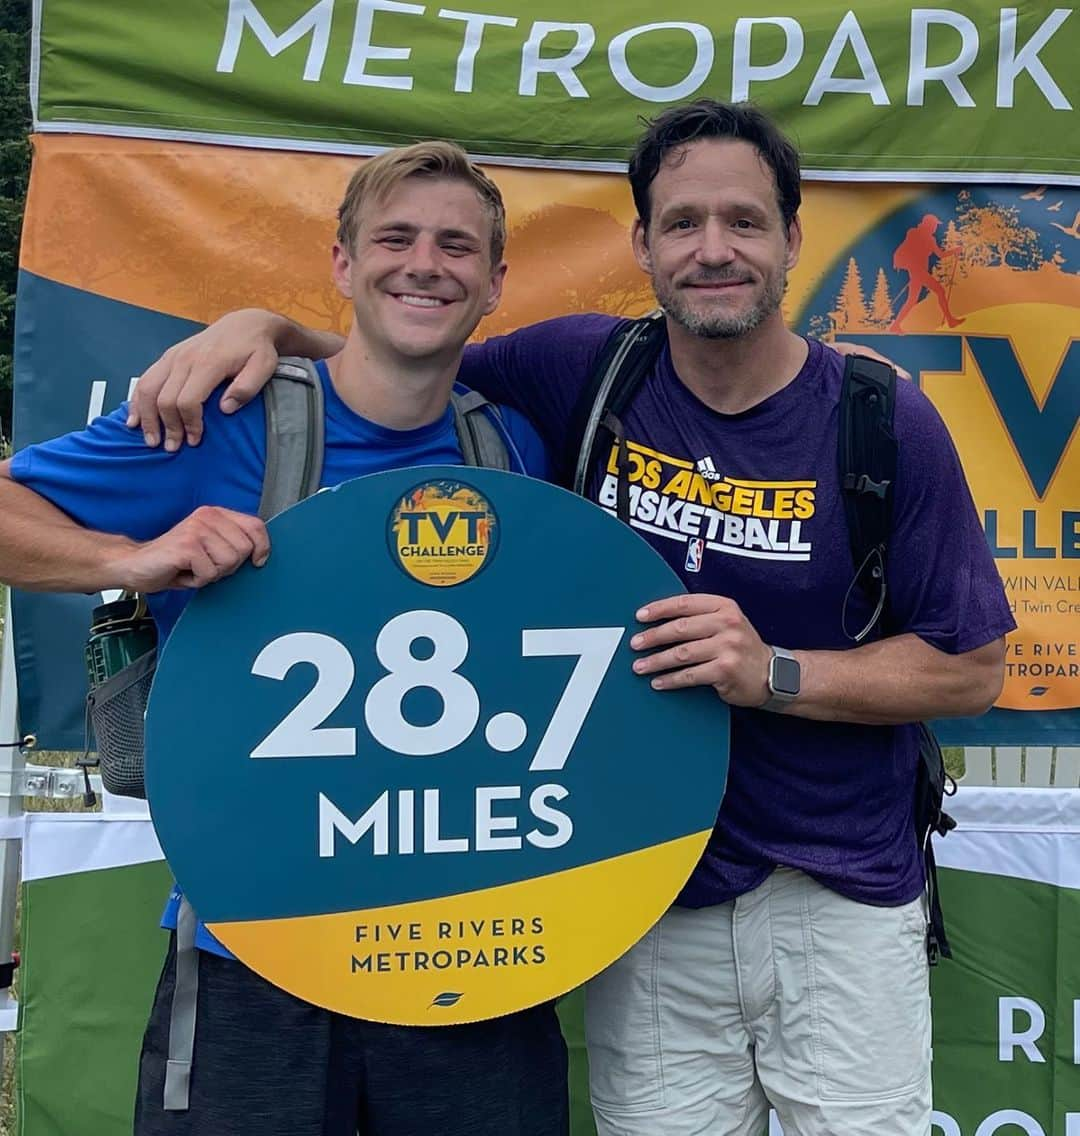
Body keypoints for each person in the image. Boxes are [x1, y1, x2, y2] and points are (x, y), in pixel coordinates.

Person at [128, 101, 1012, 1136]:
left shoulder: (878, 414)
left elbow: (972, 667)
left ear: (791, 240)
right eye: (682, 222)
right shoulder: (587, 370)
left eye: (744, 221)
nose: (713, 249)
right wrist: (265, 328)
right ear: (641, 242)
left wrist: (774, 670)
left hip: (838, 891)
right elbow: (400, 359)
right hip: (640, 894)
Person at [0, 142, 568, 1136]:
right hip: (255, 944)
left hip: (467, 945)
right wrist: (130, 558)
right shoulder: (223, 421)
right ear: (343, 265)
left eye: (455, 246)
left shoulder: (514, 447)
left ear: (494, 283)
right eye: (394, 239)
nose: (424, 263)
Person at [889, 213, 964, 332]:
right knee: (939, 291)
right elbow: (916, 250)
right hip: (917, 270)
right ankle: (950, 320)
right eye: (934, 225)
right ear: (929, 225)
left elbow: (940, 254)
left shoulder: (927, 237)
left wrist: (954, 251)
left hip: (917, 271)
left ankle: (895, 326)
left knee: (912, 300)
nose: (936, 228)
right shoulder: (915, 233)